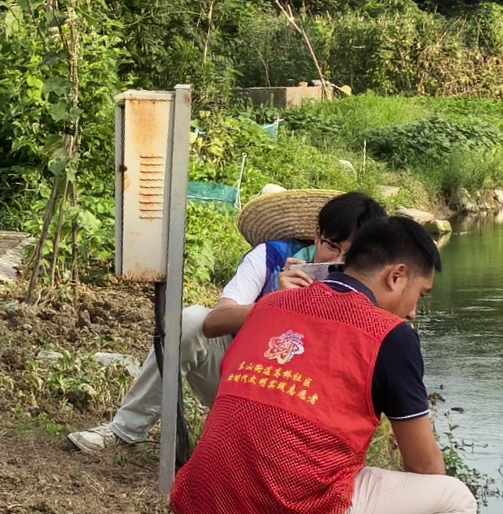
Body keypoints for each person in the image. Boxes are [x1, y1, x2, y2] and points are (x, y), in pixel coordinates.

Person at [167, 215, 474, 514]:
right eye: (419, 295)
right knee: (456, 501)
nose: (412, 312)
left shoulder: (269, 306)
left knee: (252, 433)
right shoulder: (391, 335)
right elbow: (424, 467)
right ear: (396, 276)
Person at [69, 189, 387, 456]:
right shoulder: (272, 258)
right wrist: (276, 304)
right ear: (317, 236)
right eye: (332, 246)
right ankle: (125, 430)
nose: (337, 262)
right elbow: (215, 322)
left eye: (350, 256)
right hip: (243, 375)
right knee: (190, 321)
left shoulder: (368, 289)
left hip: (303, 402)